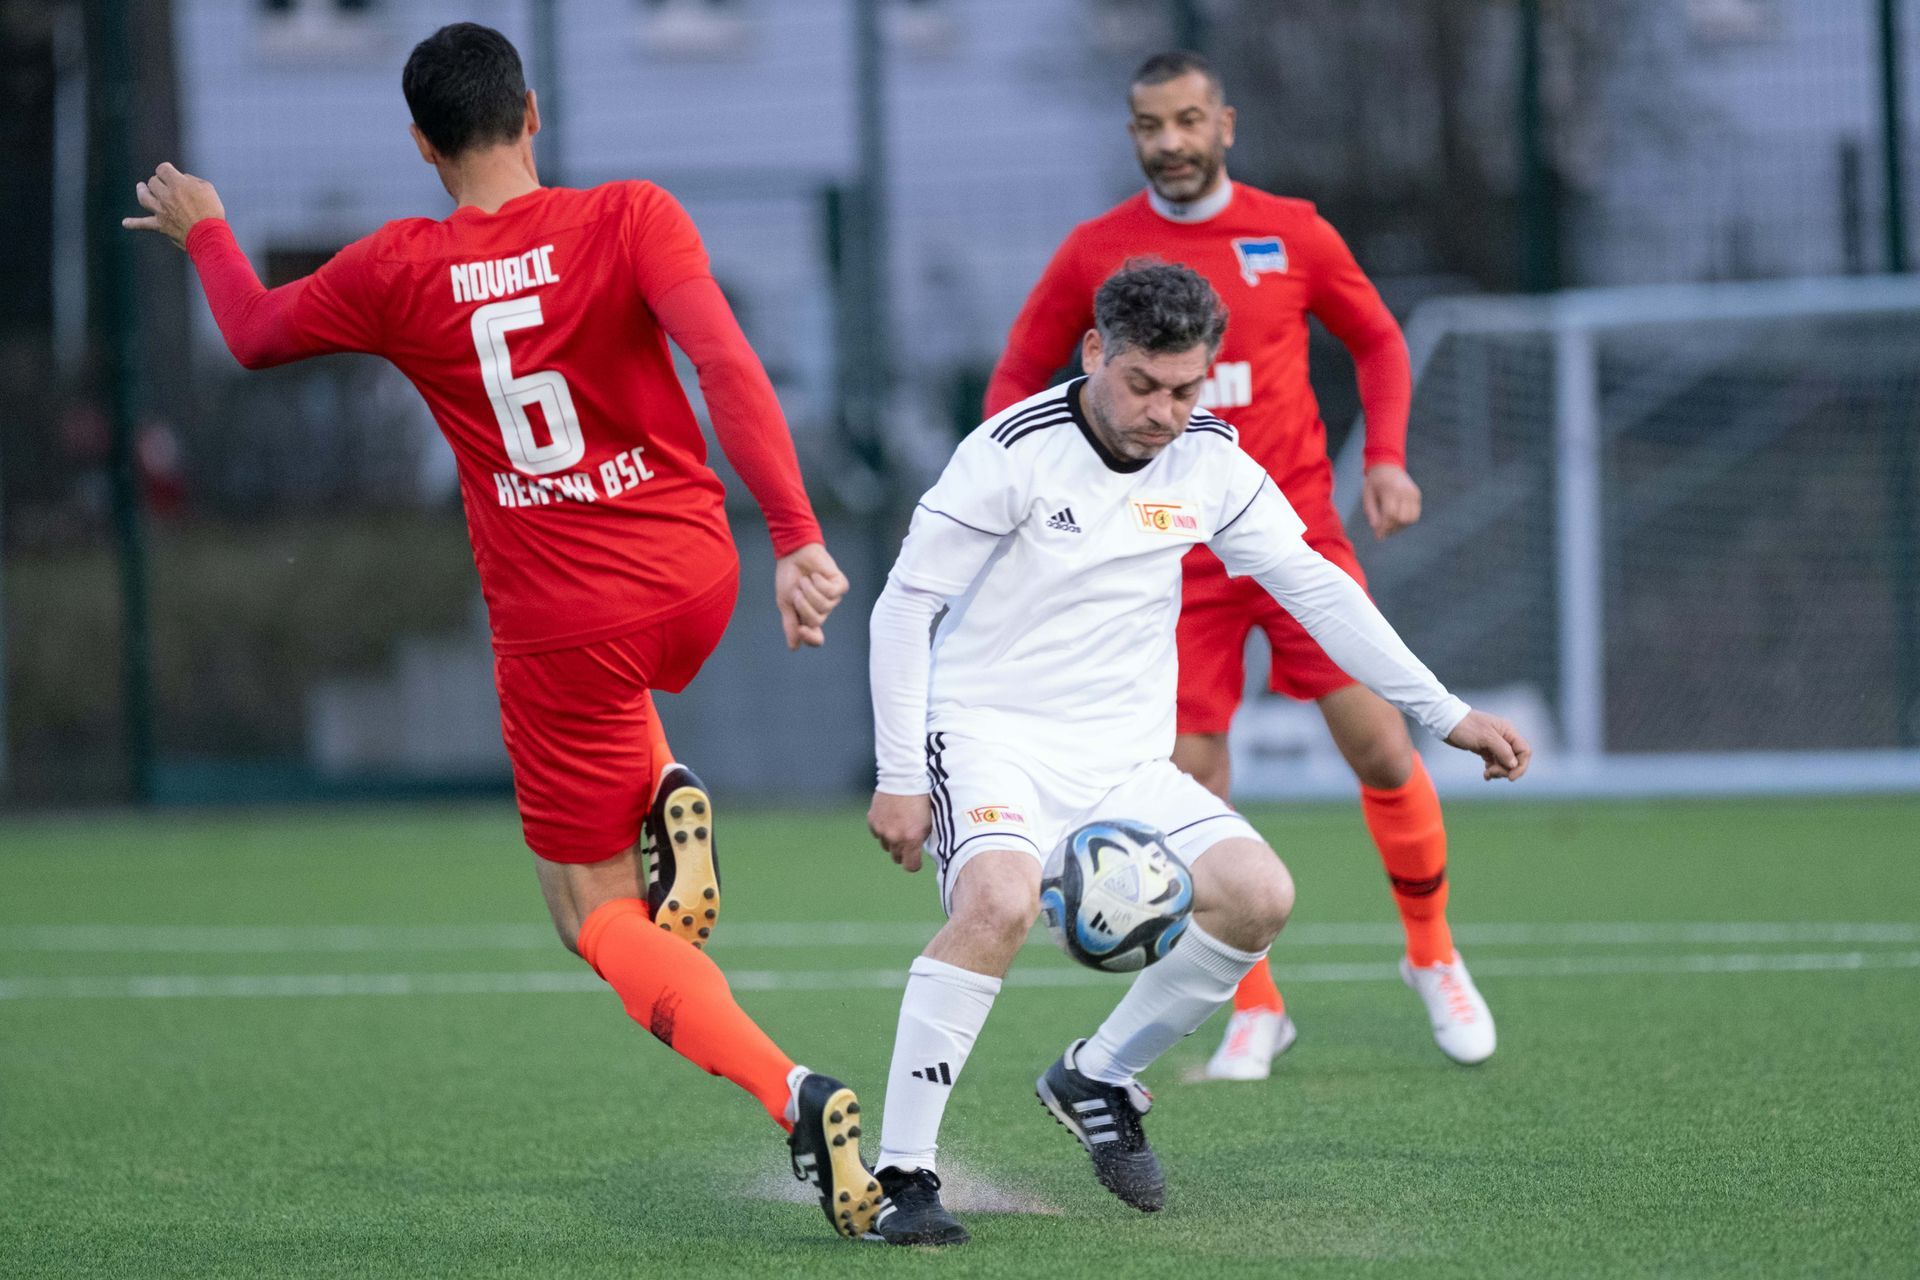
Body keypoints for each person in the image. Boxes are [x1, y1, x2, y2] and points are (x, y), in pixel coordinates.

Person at [124, 22, 880, 1240]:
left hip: (564, 625)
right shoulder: (631, 214)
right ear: (532, 115)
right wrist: (794, 536)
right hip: (695, 577)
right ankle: (664, 783)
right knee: (627, 686)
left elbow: (253, 333)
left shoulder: (397, 267)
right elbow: (725, 361)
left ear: (421, 146)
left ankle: (792, 1091)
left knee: (592, 917)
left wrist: (206, 228)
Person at [864, 260, 1529, 1245]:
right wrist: (898, 774)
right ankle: (902, 1174)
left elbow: (1314, 585)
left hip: (1125, 761)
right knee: (998, 903)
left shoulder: (1209, 457)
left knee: (1260, 895)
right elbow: (905, 606)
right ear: (1095, 351)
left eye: (1186, 389)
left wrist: (1443, 711)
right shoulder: (1010, 452)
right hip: (989, 737)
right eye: (1143, 384)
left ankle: (1098, 1076)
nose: (1165, 412)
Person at [986, 51, 1492, 1079]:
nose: (1169, 142)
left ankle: (1433, 954)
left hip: (1292, 537)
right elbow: (1016, 375)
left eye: (1186, 120)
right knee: (1188, 779)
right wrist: (1026, 495)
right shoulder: (1097, 250)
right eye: (1149, 126)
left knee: (1379, 747)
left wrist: (1386, 456)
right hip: (1165, 555)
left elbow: (1378, 340)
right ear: (1133, 135)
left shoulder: (1293, 231)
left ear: (1224, 123)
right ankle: (1255, 1005)